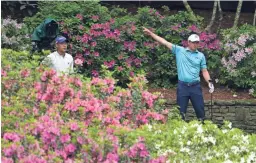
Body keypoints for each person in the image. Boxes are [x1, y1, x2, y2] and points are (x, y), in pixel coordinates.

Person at [143, 27, 214, 121]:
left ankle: (203, 131)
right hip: (183, 86)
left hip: (195, 87)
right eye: (193, 42)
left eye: (197, 42)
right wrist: (151, 34)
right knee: (180, 113)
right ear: (188, 42)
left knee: (200, 112)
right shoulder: (180, 50)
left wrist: (209, 82)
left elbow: (204, 71)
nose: (195, 44)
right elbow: (164, 42)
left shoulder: (201, 56)